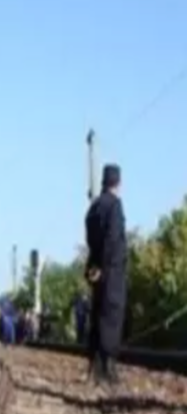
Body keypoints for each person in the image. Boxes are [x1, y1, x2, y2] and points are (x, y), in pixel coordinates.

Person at [84, 164, 128, 385]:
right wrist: (104, 265)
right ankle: (106, 368)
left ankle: (94, 365)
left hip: (96, 269)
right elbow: (112, 239)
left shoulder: (94, 207)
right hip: (111, 270)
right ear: (118, 182)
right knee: (112, 315)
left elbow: (91, 240)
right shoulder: (115, 206)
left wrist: (93, 266)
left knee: (97, 314)